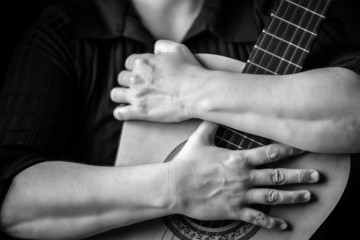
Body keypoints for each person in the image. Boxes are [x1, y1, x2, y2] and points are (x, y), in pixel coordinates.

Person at [0, 0, 358, 239]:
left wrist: (190, 90)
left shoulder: (280, 14)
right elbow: (15, 204)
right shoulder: (67, 31)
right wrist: (178, 187)